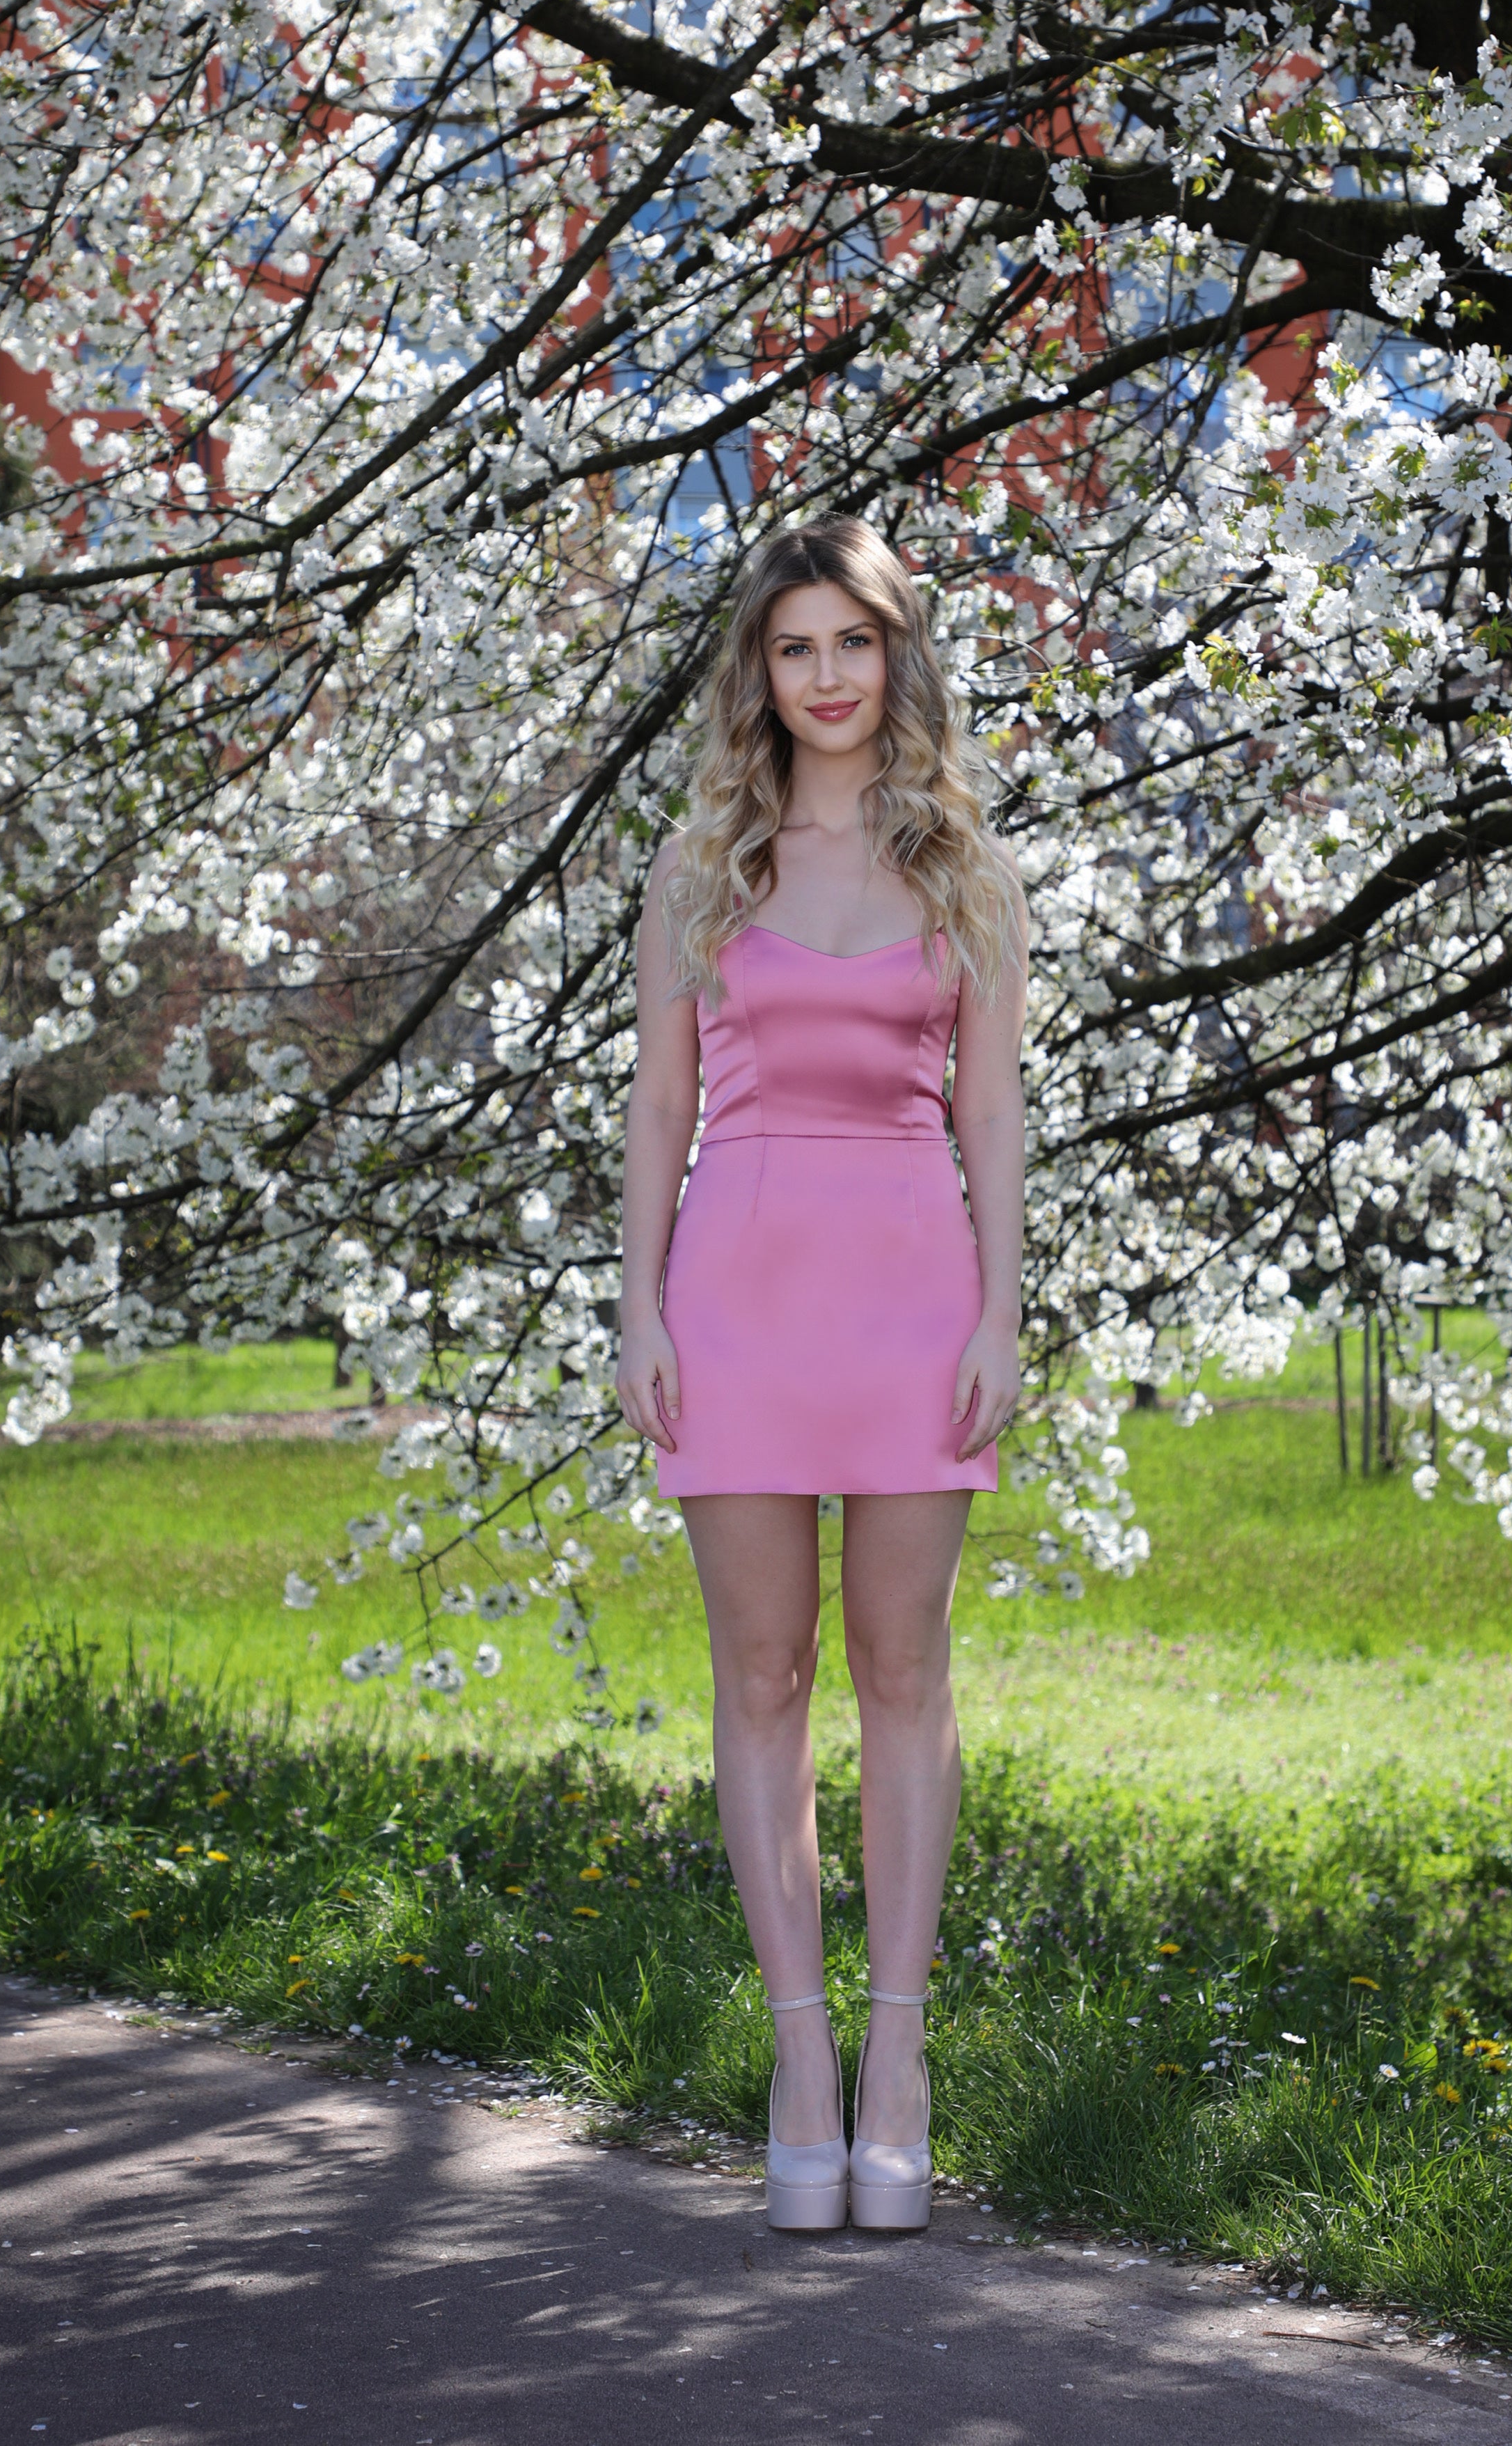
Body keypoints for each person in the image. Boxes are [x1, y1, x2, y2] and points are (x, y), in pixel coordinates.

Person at [615, 515, 1027, 2232]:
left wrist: (1006, 1308)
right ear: (760, 674)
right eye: (795, 648)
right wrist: (636, 1305)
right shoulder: (703, 866)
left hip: (914, 1296)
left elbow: (992, 1110)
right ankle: (801, 2061)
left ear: (895, 655)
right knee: (766, 1677)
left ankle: (903, 2062)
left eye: (853, 643)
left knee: (902, 1671)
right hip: (738, 1296)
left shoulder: (967, 874)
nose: (828, 676)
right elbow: (660, 1107)